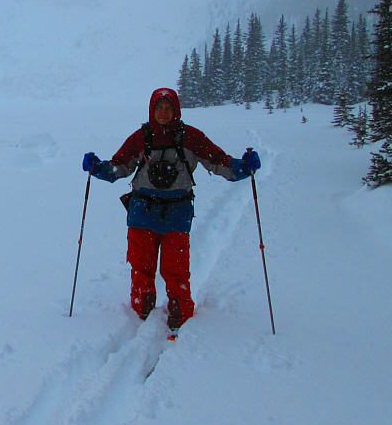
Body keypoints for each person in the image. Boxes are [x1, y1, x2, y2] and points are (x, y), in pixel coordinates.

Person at [82, 87, 261, 331]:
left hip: (175, 216)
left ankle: (180, 312)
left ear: (176, 110)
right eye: (159, 108)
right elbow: (119, 167)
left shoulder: (192, 137)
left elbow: (219, 162)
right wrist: (98, 168)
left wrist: (242, 167)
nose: (163, 113)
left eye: (168, 108)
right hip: (143, 215)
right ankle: (142, 310)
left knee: (176, 271)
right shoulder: (140, 137)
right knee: (141, 268)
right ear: (152, 110)